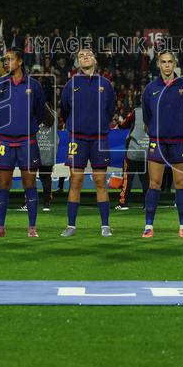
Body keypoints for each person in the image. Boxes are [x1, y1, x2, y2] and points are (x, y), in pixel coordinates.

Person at [0, 48, 49, 237]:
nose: (6, 63)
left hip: (27, 142)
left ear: (20, 62)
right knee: (3, 185)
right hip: (4, 141)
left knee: (29, 184)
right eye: (5, 60)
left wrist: (26, 126)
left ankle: (31, 228)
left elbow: (40, 112)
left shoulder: (34, 85)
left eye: (10, 59)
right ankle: (0, 228)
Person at [59, 48, 115, 237]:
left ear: (95, 60)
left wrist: (98, 124)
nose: (85, 57)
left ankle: (105, 225)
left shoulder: (105, 84)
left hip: (99, 138)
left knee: (100, 181)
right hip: (78, 138)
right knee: (76, 181)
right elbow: (65, 110)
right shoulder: (70, 85)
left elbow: (110, 109)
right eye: (81, 56)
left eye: (88, 55)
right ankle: (71, 226)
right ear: (77, 62)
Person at [141, 51, 183, 238]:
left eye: (170, 62)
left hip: (179, 142)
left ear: (175, 64)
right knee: (154, 184)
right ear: (158, 64)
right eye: (163, 62)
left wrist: (182, 129)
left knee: (180, 184)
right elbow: (147, 116)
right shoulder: (150, 88)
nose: (166, 65)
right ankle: (149, 226)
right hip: (157, 141)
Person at [115, 106, 147, 210]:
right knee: (147, 180)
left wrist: (119, 120)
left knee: (127, 178)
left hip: (134, 150)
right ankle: (148, 204)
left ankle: (123, 203)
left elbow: (124, 125)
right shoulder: (158, 112)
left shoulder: (137, 111)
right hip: (148, 151)